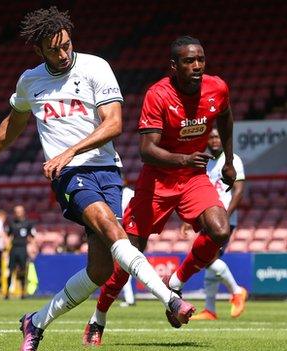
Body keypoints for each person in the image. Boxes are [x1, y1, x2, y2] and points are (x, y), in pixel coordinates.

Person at [0, 7, 194, 351]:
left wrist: (71, 149)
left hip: (107, 170)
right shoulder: (30, 81)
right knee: (115, 232)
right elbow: (14, 123)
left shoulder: (96, 67)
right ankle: (169, 299)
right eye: (54, 49)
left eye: (67, 44)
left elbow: (113, 123)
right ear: (39, 50)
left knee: (99, 270)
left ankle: (35, 322)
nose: (64, 52)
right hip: (69, 175)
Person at [82, 35, 236, 346]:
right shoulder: (158, 94)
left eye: (200, 60)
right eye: (189, 61)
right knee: (128, 256)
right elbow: (146, 150)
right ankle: (99, 316)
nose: (196, 66)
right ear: (174, 66)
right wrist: (183, 158)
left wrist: (228, 161)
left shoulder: (217, 87)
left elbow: (227, 118)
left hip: (193, 177)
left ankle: (176, 282)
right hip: (157, 181)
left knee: (220, 231)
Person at [183, 128, 247, 320]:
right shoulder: (206, 162)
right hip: (208, 219)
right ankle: (210, 309)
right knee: (209, 261)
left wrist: (225, 216)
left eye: (217, 136)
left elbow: (239, 191)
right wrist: (191, 219)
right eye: (210, 137)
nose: (214, 140)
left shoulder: (232, 159)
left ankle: (237, 291)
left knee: (208, 259)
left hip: (223, 221)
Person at [5, 205, 37, 300]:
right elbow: (8, 237)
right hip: (14, 249)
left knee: (23, 271)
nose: (18, 213)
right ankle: (7, 292)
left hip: (23, 249)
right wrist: (5, 250)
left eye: (19, 211)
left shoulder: (28, 223)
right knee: (10, 271)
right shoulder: (11, 223)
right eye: (16, 211)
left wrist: (33, 249)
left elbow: (32, 237)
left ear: (23, 212)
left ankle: (23, 292)